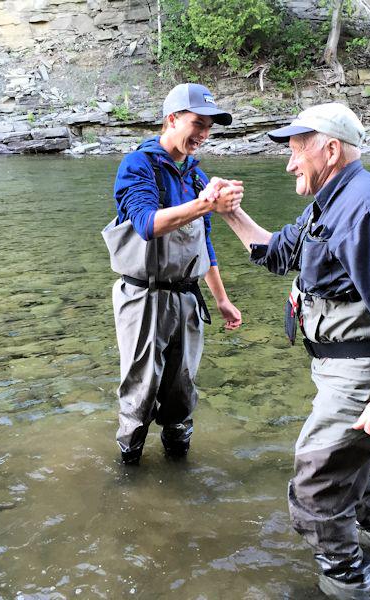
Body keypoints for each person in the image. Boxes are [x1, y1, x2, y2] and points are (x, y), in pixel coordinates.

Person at [218, 103, 370, 599]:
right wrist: (230, 213)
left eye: (298, 150)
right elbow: (278, 253)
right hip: (336, 368)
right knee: (352, 479)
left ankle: (346, 584)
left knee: (316, 491)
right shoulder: (327, 202)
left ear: (331, 149)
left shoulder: (369, 207)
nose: (290, 163)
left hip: (362, 373)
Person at [102, 83, 244, 466]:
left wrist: (222, 299)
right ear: (172, 119)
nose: (202, 134)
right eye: (197, 123)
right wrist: (204, 205)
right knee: (141, 390)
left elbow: (205, 245)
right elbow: (147, 224)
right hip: (143, 298)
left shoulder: (197, 177)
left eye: (209, 127)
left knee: (182, 392)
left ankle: (178, 467)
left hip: (187, 297)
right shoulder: (138, 165)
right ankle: (128, 468)